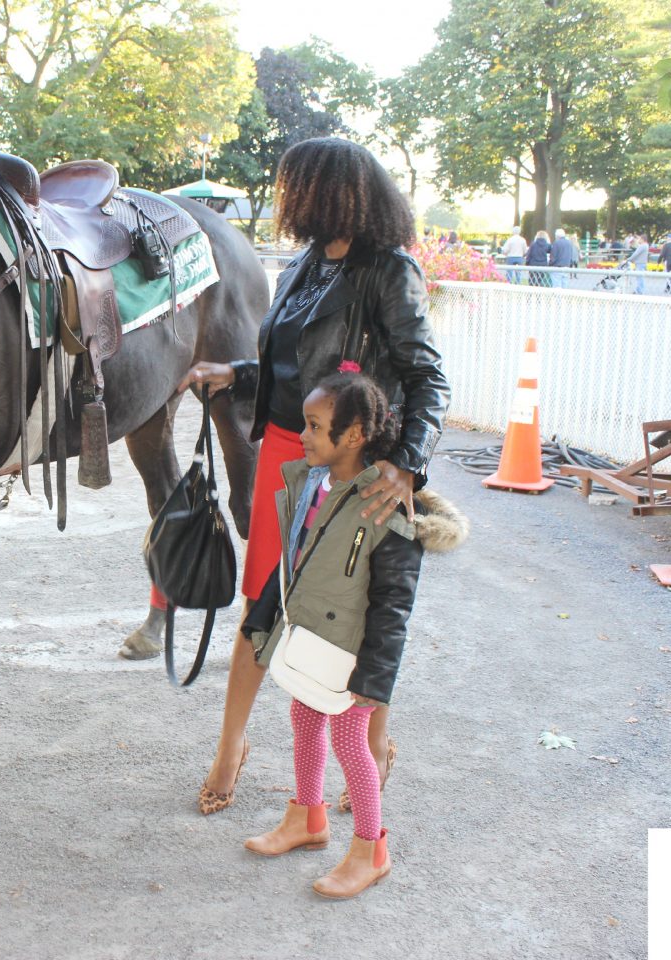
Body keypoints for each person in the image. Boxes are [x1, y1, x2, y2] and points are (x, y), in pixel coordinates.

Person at [179, 137, 450, 818]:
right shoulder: (305, 267)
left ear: (332, 194)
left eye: (295, 187)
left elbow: (428, 377)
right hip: (282, 455)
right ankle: (230, 747)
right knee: (262, 609)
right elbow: (296, 370)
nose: (284, 200)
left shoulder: (389, 272)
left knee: (352, 615)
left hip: (352, 464)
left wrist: (407, 464)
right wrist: (234, 376)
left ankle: (376, 743)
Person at [237, 373, 465, 900]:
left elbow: (393, 608)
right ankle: (307, 817)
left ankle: (370, 849)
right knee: (303, 717)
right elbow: (292, 563)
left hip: (354, 654)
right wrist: (264, 617)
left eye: (316, 427)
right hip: (313, 641)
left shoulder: (389, 510)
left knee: (350, 740)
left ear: (355, 434)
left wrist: (374, 679)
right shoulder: (315, 485)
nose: (304, 436)